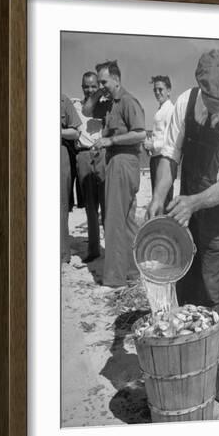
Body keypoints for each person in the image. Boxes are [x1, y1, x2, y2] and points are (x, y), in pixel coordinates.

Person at [147, 49, 219, 347]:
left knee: (213, 293)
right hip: (189, 214)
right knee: (187, 284)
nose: (217, 107)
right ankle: (189, 354)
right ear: (201, 88)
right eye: (211, 100)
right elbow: (169, 155)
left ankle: (213, 361)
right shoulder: (185, 101)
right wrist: (158, 196)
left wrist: (192, 202)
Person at [91, 60, 146, 287]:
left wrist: (110, 140)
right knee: (127, 221)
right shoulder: (111, 102)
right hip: (122, 163)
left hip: (123, 163)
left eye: (103, 81)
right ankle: (132, 271)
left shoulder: (127, 101)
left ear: (116, 78)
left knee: (113, 220)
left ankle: (114, 277)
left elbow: (141, 134)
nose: (101, 85)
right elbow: (87, 110)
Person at [72, 72, 110, 263]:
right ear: (82, 87)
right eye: (86, 86)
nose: (90, 90)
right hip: (84, 156)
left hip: (102, 154)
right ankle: (94, 250)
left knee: (107, 204)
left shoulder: (106, 105)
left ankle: (111, 249)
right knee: (90, 206)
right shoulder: (75, 105)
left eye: (94, 86)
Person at [143, 76, 176, 208]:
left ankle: (165, 226)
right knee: (157, 197)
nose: (157, 92)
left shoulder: (170, 110)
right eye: (155, 90)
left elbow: (171, 139)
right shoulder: (161, 109)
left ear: (169, 90)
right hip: (156, 157)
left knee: (163, 198)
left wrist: (153, 145)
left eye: (160, 89)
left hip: (164, 159)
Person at [61, 94, 82, 263]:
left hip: (60, 152)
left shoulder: (63, 100)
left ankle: (62, 253)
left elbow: (76, 131)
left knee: (61, 206)